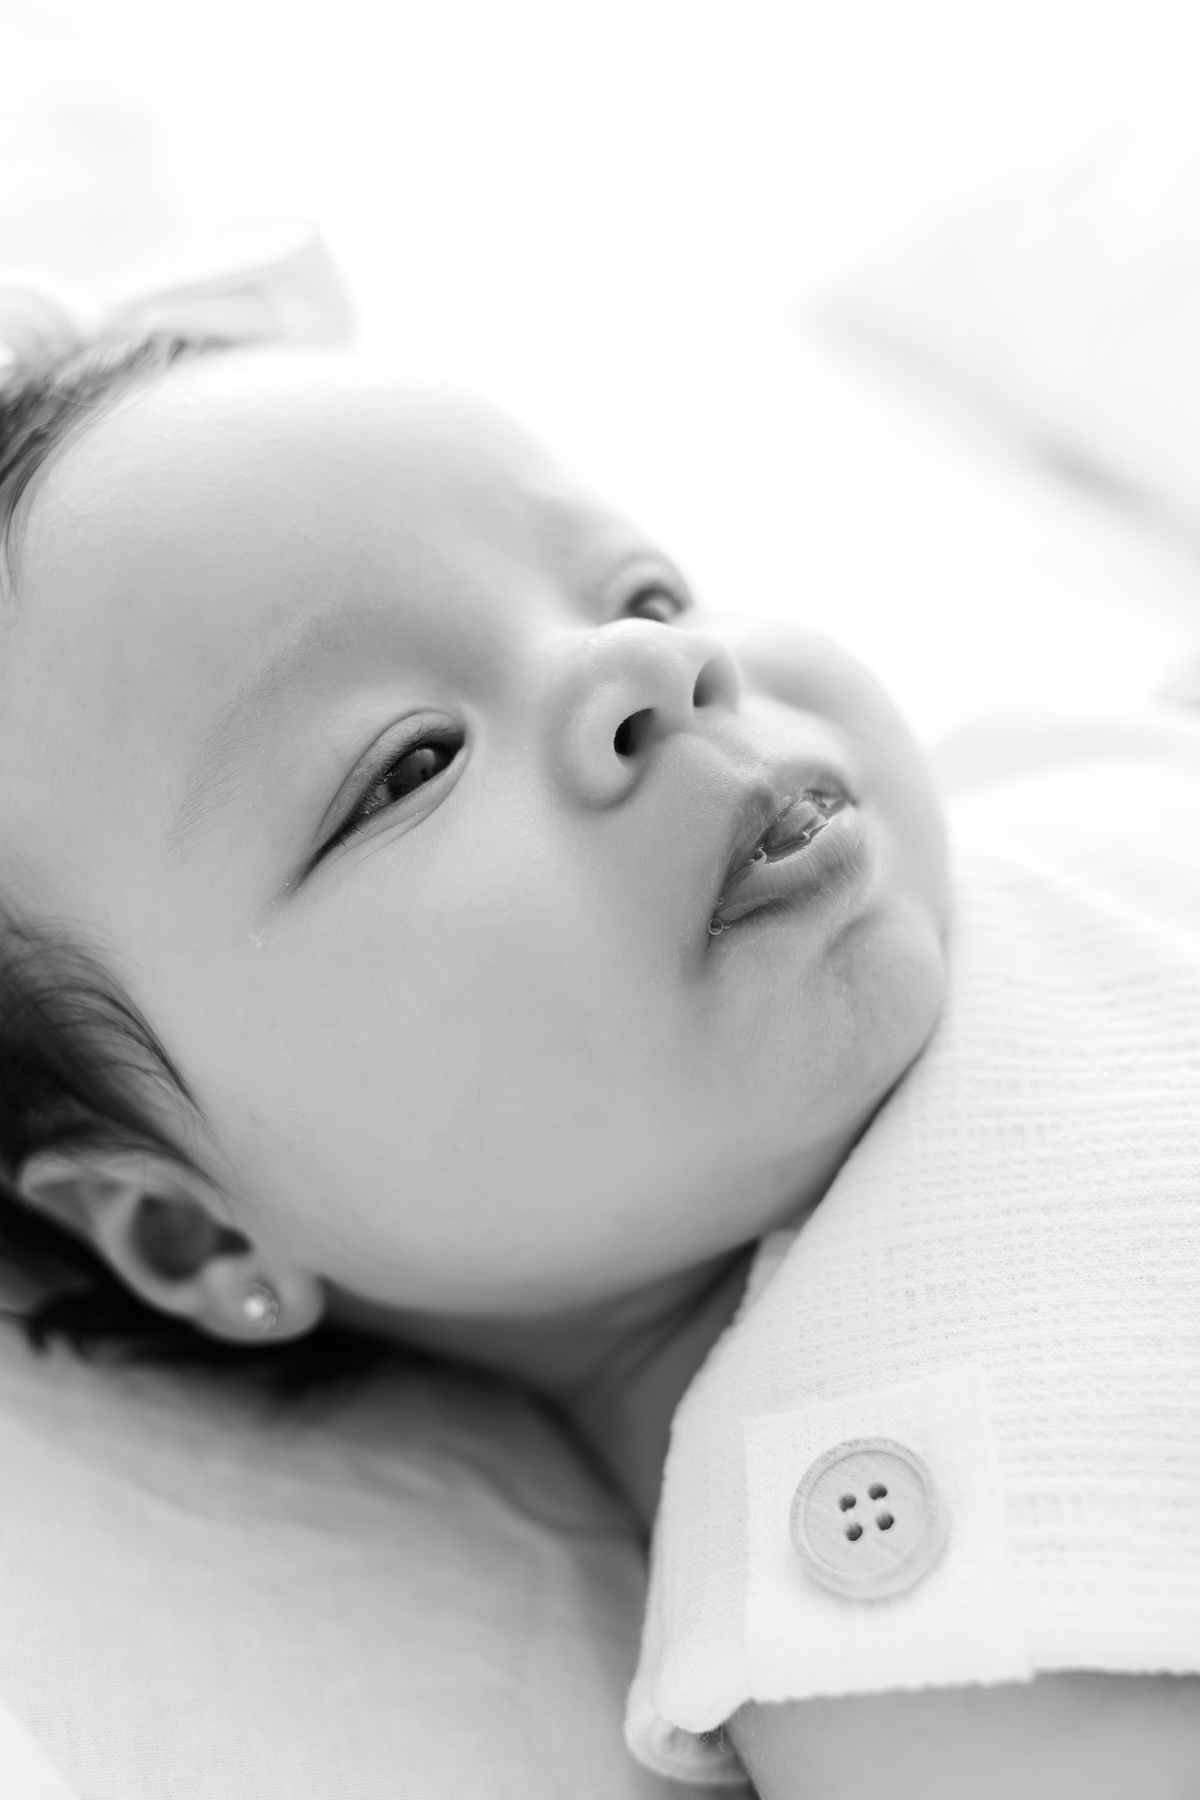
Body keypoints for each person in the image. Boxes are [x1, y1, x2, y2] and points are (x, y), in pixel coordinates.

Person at [0, 334, 1197, 1798]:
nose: (654, 664)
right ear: (191, 1229)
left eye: (644, 593)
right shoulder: (890, 1586)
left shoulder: (1050, 765)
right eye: (409, 766)